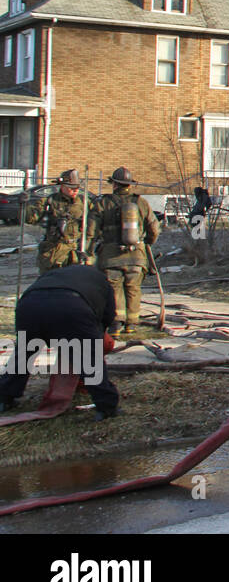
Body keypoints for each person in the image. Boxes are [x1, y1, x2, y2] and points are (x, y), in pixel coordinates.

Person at [0, 265, 120, 419]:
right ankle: (106, 407)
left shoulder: (54, 274)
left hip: (29, 306)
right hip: (71, 307)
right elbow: (108, 316)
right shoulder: (102, 280)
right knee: (88, 360)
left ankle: (4, 398)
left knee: (23, 355)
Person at [95, 167, 160, 334]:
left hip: (111, 257)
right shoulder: (141, 202)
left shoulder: (103, 203)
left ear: (114, 184)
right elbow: (154, 227)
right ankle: (132, 324)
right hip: (136, 256)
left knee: (114, 289)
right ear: (129, 185)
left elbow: (91, 228)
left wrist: (90, 248)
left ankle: (116, 324)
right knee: (133, 288)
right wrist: (147, 243)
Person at [25, 169, 96, 273]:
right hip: (55, 251)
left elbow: (95, 224)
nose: (75, 190)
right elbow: (31, 219)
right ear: (62, 186)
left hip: (76, 251)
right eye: (71, 188)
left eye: (77, 187)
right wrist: (25, 205)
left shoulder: (85, 203)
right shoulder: (50, 201)